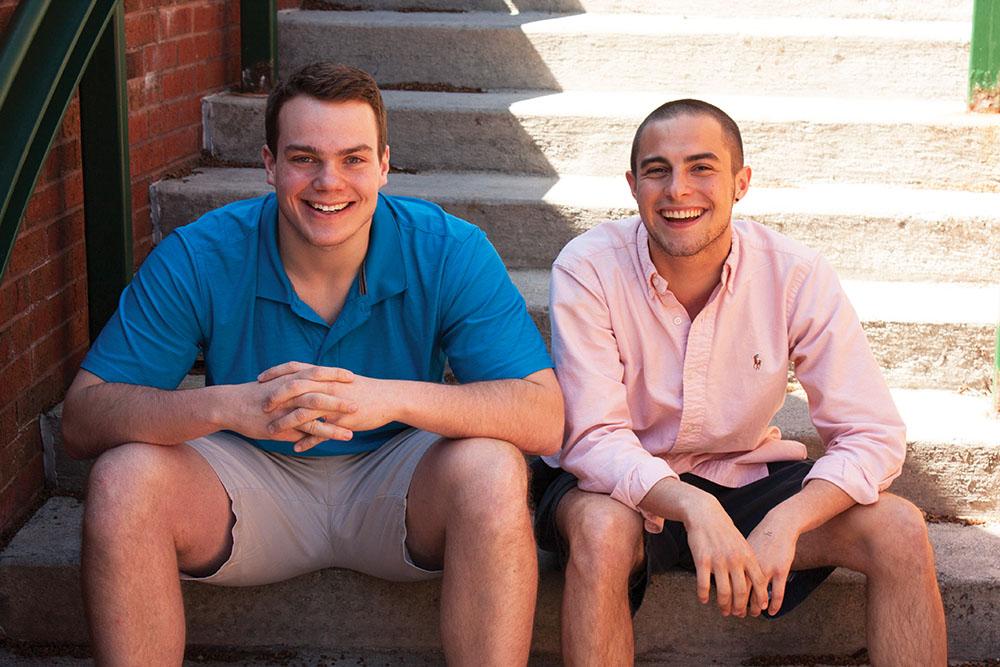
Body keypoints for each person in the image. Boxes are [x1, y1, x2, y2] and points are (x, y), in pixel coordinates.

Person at [61, 62, 564, 666]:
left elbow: (543, 416)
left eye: (353, 159)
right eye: (304, 158)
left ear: (384, 164)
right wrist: (224, 405)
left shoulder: (449, 249)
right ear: (270, 164)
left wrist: (394, 398)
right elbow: (83, 418)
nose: (329, 182)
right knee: (123, 480)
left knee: (492, 465)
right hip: (246, 486)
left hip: (401, 487)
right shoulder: (202, 252)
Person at [531, 99, 946, 666]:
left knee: (898, 527)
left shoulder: (794, 273)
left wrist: (788, 519)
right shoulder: (588, 267)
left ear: (740, 182)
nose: (679, 189)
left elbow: (871, 433)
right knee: (602, 532)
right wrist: (695, 509)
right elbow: (593, 438)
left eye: (702, 168)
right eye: (658, 170)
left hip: (740, 472)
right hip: (619, 487)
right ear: (632, 185)